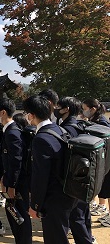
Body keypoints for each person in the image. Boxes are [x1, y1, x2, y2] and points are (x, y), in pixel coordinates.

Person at [24, 95, 78, 244]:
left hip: (54, 198)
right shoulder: (59, 129)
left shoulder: (41, 138)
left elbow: (40, 176)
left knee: (55, 238)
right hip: (67, 192)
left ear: (31, 115)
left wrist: (35, 205)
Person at [55, 97, 96, 243]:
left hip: (73, 181)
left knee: (76, 219)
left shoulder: (66, 129)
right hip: (84, 178)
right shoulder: (80, 125)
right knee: (83, 215)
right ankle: (89, 238)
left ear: (66, 109)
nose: (56, 109)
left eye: (59, 106)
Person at [0, 98, 32, 244]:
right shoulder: (10, 130)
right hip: (13, 181)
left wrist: (12, 186)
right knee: (15, 215)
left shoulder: (12, 133)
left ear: (3, 112)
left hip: (18, 183)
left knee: (19, 216)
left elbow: (16, 162)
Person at [82, 98, 110, 227]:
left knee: (108, 189)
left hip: (107, 158)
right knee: (104, 189)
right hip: (102, 159)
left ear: (93, 109)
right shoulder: (94, 120)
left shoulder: (101, 122)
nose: (84, 111)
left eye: (85, 108)